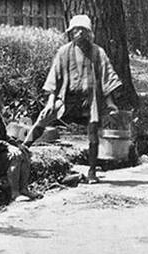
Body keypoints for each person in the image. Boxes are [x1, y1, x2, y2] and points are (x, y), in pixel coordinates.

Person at [28, 14, 123, 183]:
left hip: (90, 100)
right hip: (67, 98)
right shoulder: (64, 52)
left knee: (93, 131)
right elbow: (54, 77)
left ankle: (92, 170)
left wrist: (110, 103)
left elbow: (106, 77)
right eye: (75, 30)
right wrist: (50, 101)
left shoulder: (97, 52)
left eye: (82, 30)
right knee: (44, 116)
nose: (78, 33)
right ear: (71, 33)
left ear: (89, 33)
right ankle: (24, 146)